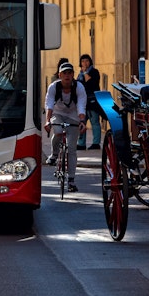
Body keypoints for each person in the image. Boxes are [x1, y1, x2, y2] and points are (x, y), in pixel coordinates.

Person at [43, 63, 86, 192]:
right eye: (64, 73)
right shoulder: (53, 87)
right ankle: (54, 154)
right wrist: (47, 121)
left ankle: (71, 180)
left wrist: (82, 121)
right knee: (58, 132)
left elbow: (81, 105)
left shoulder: (79, 87)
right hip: (57, 114)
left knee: (72, 148)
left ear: (73, 75)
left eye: (69, 73)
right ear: (59, 75)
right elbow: (49, 104)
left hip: (73, 116)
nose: (67, 76)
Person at [77, 54, 102, 151]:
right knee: (81, 122)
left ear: (90, 62)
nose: (85, 63)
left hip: (92, 101)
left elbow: (91, 83)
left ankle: (96, 143)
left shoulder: (94, 72)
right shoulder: (79, 74)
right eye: (83, 61)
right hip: (82, 102)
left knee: (94, 122)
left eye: (86, 61)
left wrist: (85, 73)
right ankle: (81, 143)